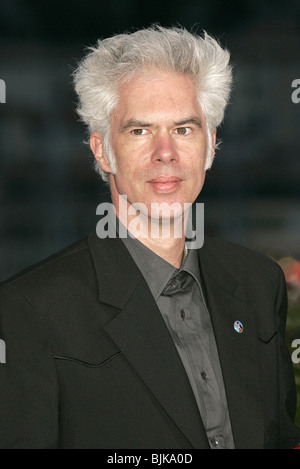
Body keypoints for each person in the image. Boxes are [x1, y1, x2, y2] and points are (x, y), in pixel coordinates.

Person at [0, 25, 299, 450]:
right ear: (103, 151)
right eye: (139, 131)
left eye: (184, 129)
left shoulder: (258, 283)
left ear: (212, 145)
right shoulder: (29, 312)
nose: (166, 152)